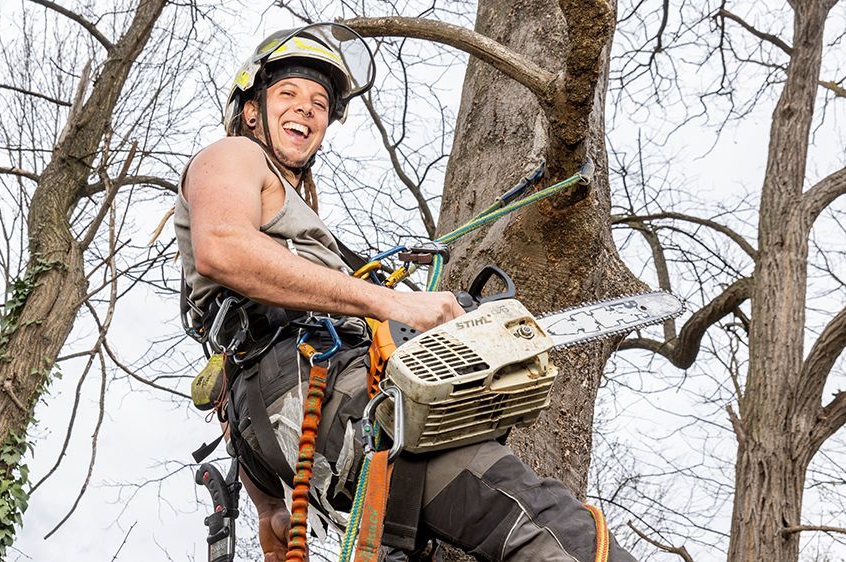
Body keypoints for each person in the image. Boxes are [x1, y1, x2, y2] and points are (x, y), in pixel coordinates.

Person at [174, 23, 637, 562]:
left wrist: (269, 506)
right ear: (252, 109)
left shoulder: (293, 236)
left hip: (296, 422)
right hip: (331, 400)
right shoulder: (232, 155)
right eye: (289, 94)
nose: (305, 109)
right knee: (549, 526)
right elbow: (223, 247)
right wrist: (391, 303)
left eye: (319, 103)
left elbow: (270, 499)